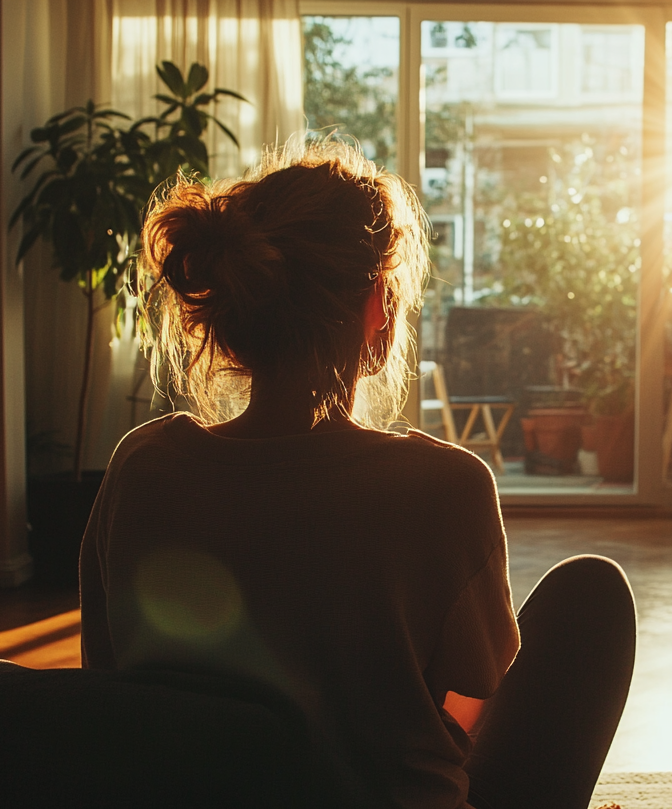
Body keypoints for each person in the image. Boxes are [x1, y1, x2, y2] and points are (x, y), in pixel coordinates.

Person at [79, 141, 636, 809]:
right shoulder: (446, 487)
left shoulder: (142, 468)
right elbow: (471, 698)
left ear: (231, 325)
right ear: (378, 302)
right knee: (590, 597)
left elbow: (107, 684)